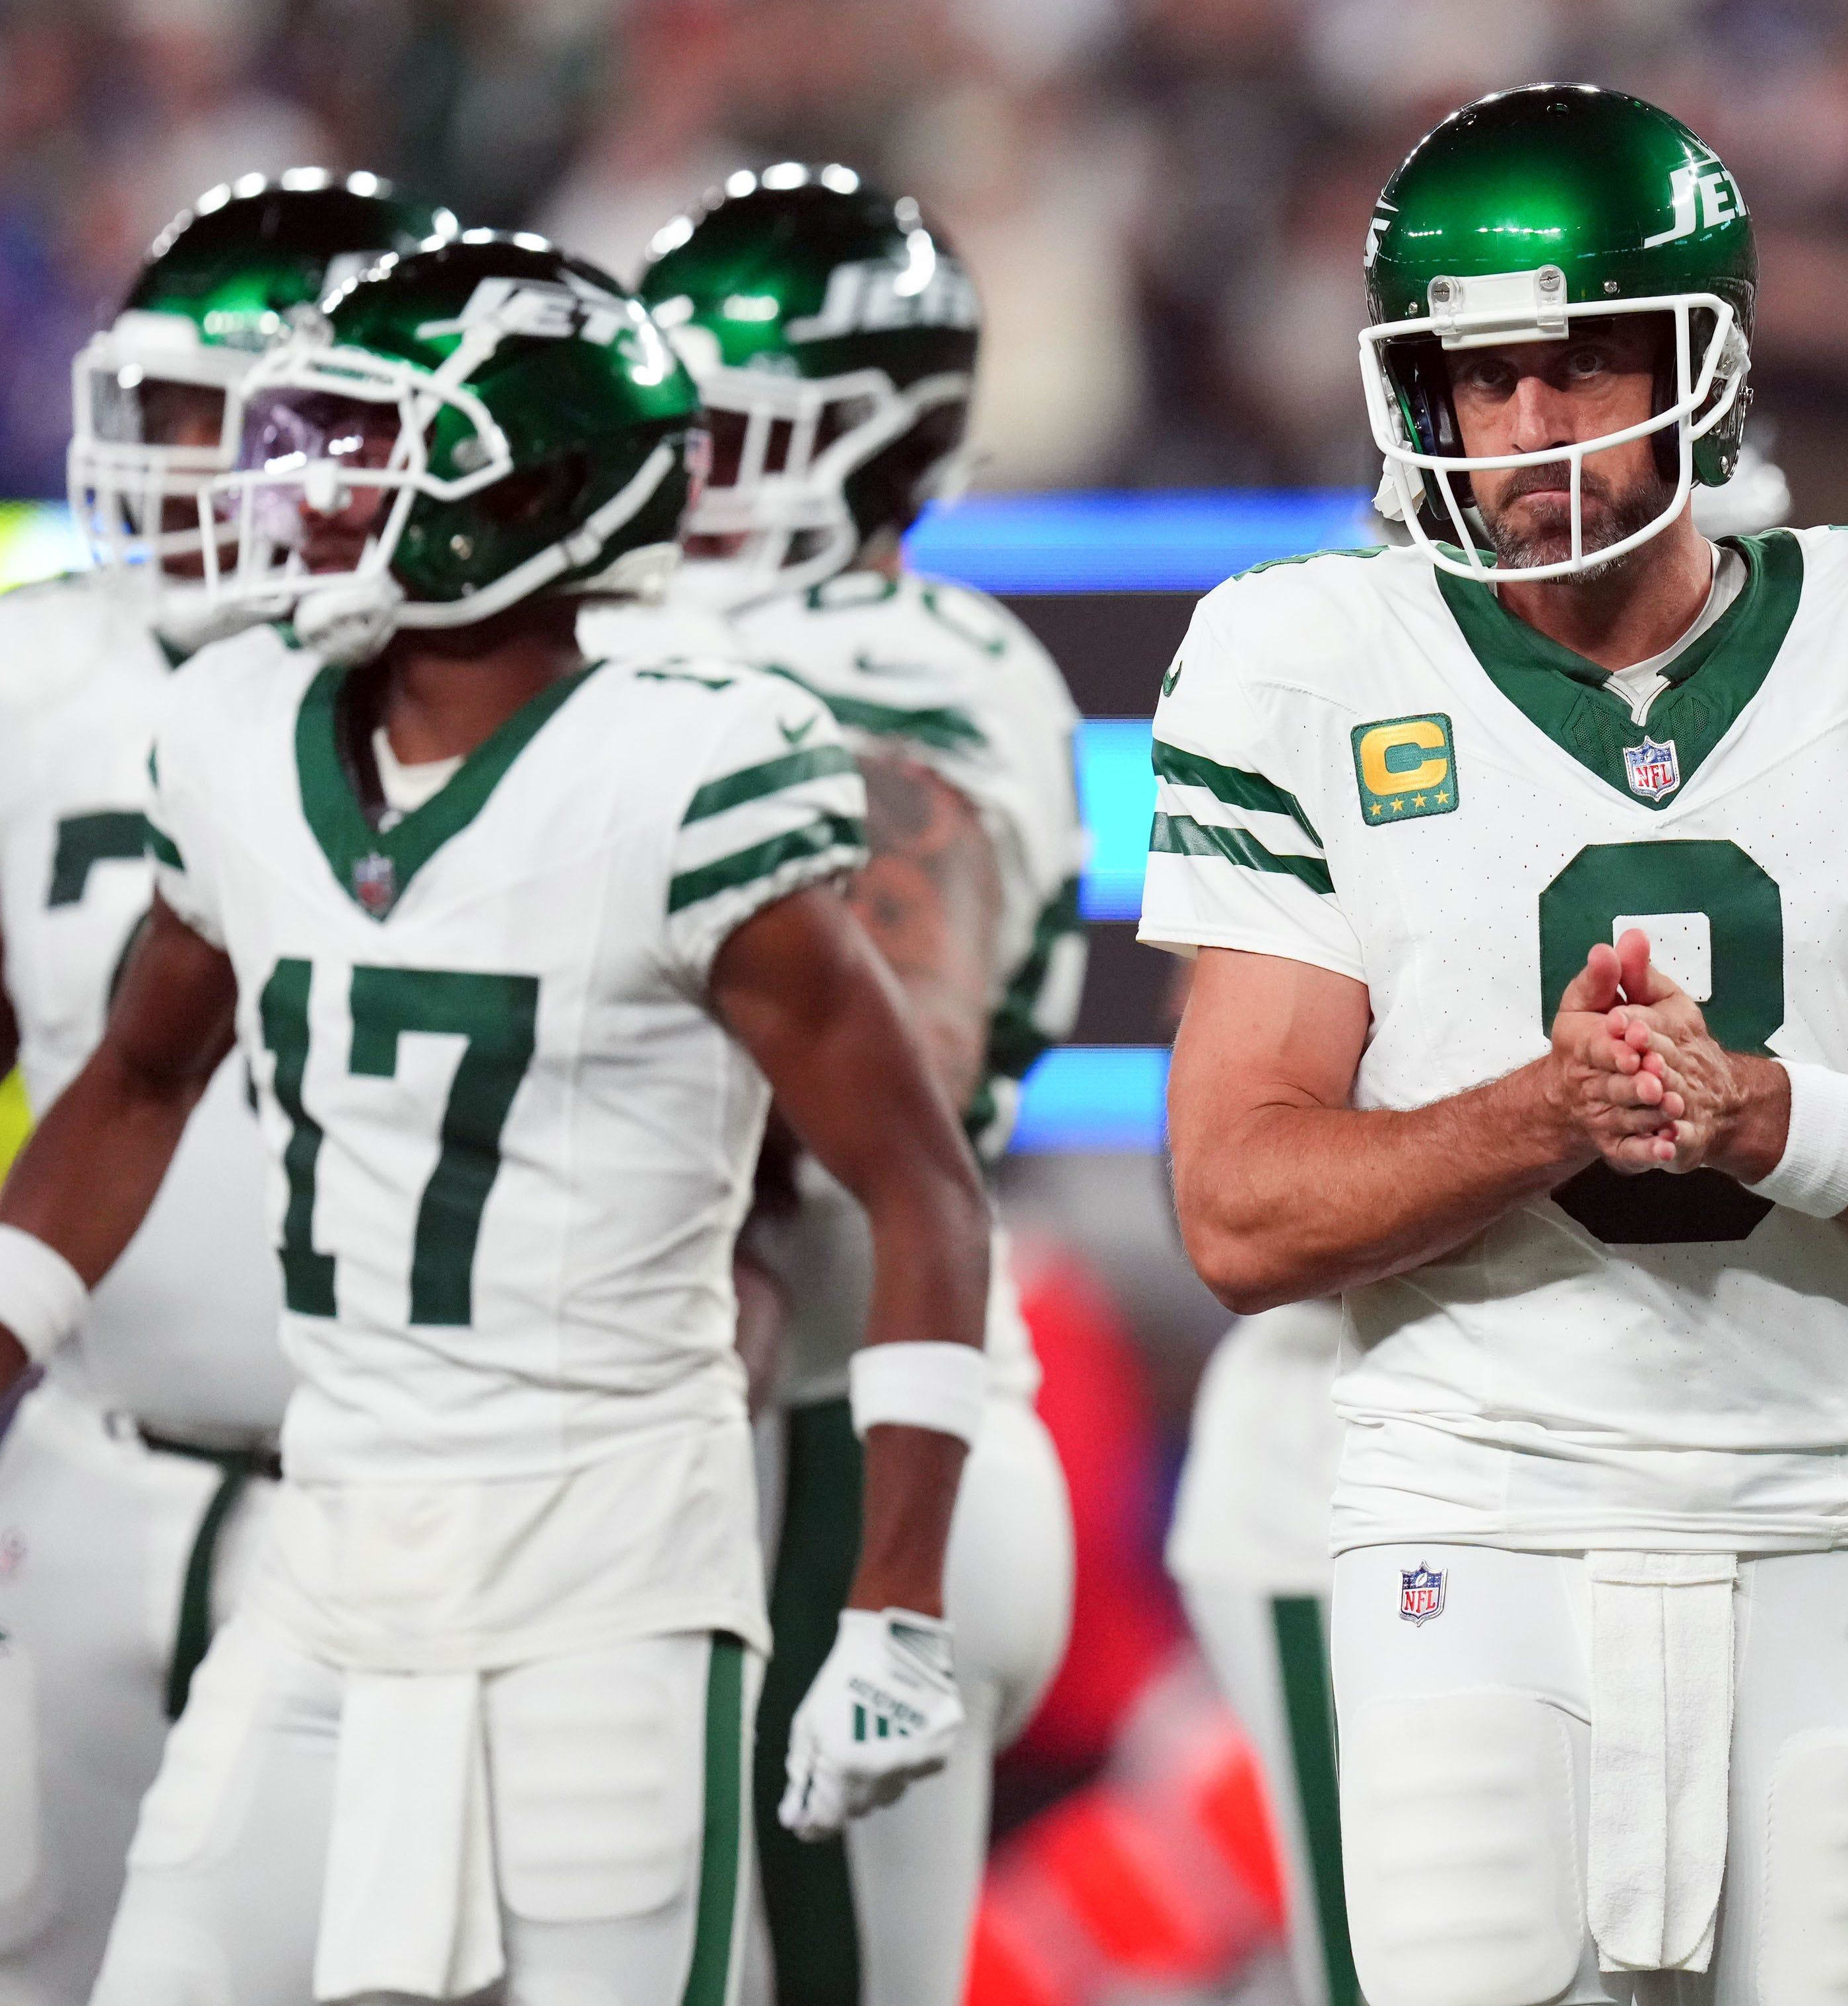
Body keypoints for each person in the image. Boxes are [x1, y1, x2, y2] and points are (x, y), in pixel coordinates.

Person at [0, 231, 997, 2004]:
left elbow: (922, 1192)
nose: (297, 485)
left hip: (606, 1593)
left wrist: (899, 1599)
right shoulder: (236, 728)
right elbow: (139, 1076)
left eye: (359, 440)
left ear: (519, 486)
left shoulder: (693, 769)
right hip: (326, 1568)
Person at [1140, 83, 1848, 2006]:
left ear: (1709, 358)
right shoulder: (1299, 659)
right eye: (1476, 382)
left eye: (1576, 371)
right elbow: (1239, 1211)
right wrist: (1543, 1111)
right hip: (1468, 1527)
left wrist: (1764, 1113)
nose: (1522, 434)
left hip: (1811, 1523)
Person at [0, 169, 448, 2006]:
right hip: (81, 1467)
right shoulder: (32, 671)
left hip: (408, 1500)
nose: (171, 460)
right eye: (155, 412)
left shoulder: (506, 693)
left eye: (222, 418)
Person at [1158, 442, 1798, 2006]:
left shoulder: (1804, 717)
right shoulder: (1337, 705)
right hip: (1376, 1458)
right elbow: (1247, 1172)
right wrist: (1546, 1109)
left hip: (1683, 1455)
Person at [630, 163, 1084, 2006]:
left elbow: (899, 1060)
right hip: (740, 1454)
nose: (672, 474)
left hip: (851, 1441)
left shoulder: (899, 670)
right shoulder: (655, 652)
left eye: (725, 431)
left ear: (873, 443)